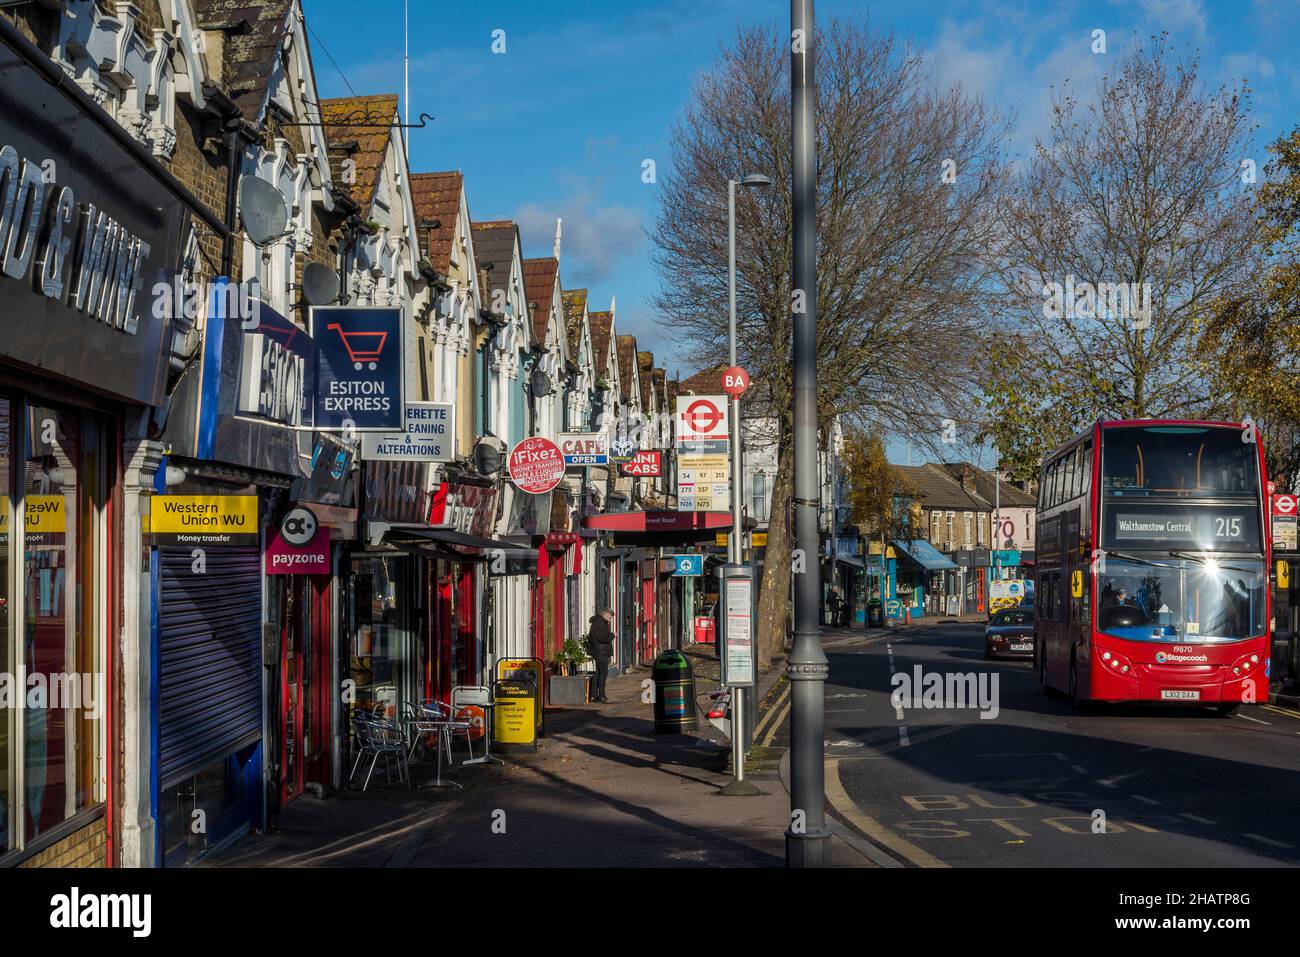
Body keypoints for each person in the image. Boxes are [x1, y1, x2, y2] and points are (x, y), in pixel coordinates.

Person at [587, 608, 615, 703]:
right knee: (603, 673)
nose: (610, 620)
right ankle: (601, 696)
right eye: (610, 618)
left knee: (598, 673)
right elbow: (603, 638)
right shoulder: (600, 623)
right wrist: (613, 635)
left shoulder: (598, 622)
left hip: (598, 651)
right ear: (606, 615)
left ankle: (593, 696)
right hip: (600, 652)